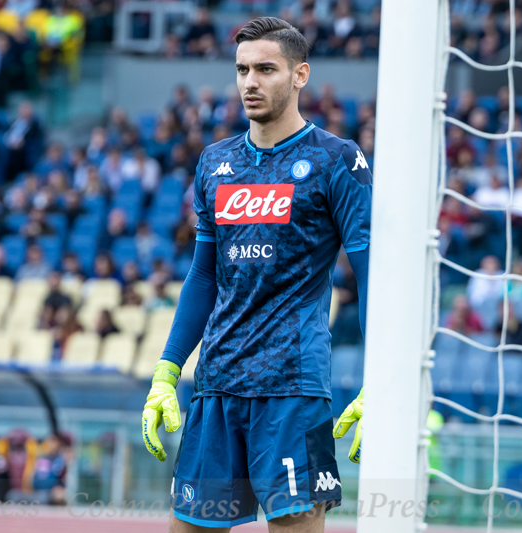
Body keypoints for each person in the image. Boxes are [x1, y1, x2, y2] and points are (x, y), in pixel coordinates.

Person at [141, 17, 371, 531]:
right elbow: (203, 278)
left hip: (293, 390)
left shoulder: (337, 160)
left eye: (266, 69)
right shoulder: (215, 162)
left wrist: (379, 377)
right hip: (217, 385)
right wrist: (167, 370)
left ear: (300, 75)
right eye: (243, 69)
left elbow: (369, 271)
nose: (250, 81)